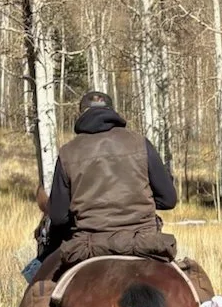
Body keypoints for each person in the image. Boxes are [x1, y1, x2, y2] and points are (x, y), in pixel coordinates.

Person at [34, 91, 178, 279]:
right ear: (112, 111)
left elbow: (59, 218)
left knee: (38, 294)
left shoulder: (68, 152)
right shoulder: (140, 143)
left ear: (81, 114)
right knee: (198, 290)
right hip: (145, 242)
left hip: (88, 248)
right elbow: (169, 199)